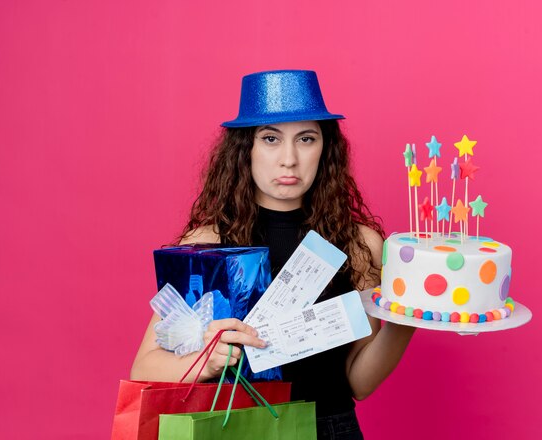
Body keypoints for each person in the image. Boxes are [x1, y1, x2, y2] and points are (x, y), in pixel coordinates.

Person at [131, 70, 415, 439]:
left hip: (329, 427)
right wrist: (207, 362)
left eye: (306, 139)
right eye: (270, 139)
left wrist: (406, 320)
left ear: (325, 149)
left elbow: (358, 383)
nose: (289, 159)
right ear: (244, 149)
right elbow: (145, 367)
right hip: (239, 429)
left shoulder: (359, 243)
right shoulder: (207, 242)